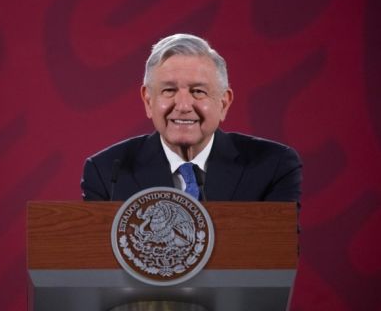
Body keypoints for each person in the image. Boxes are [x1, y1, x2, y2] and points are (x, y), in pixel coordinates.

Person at [81, 33, 302, 202]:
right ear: (148, 101)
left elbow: (277, 257)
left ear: (224, 103)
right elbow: (96, 259)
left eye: (198, 91)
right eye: (169, 90)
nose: (184, 106)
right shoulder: (107, 172)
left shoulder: (273, 165)